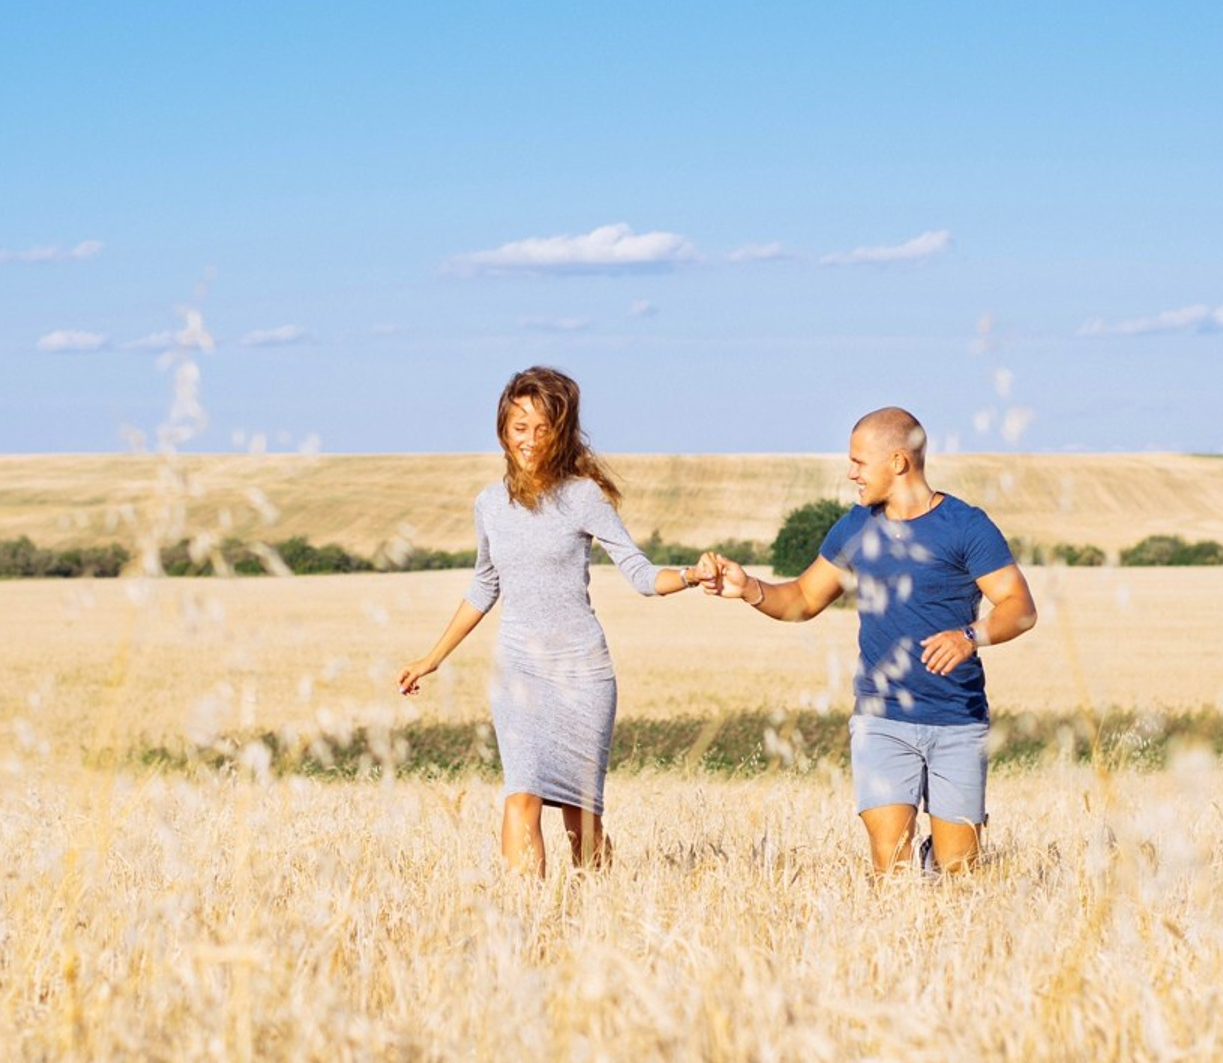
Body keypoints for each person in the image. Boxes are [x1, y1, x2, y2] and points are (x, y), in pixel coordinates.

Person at [398, 367, 709, 877]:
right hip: (518, 670)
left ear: (561, 433)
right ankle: (528, 915)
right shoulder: (489, 505)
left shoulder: (583, 497)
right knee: (520, 794)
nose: (530, 440)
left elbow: (640, 574)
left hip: (582, 672)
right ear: (503, 429)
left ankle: (596, 906)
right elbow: (484, 585)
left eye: (543, 429)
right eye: (520, 427)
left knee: (580, 817)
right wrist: (431, 658)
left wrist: (692, 575)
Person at [701, 407, 1037, 876]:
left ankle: (935, 862)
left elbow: (1020, 607)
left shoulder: (966, 526)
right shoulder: (856, 527)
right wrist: (750, 589)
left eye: (859, 461)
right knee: (890, 870)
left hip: (957, 720)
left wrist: (970, 636)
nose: (851, 473)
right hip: (881, 719)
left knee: (959, 874)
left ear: (898, 462)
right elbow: (803, 597)